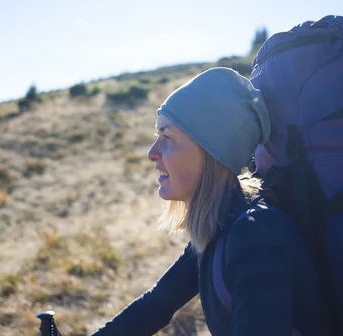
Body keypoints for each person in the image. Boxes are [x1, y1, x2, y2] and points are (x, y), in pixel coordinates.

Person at [91, 67, 322, 336]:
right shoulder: (221, 223)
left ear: (212, 152)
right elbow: (155, 305)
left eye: (167, 137)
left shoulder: (257, 234)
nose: (152, 153)